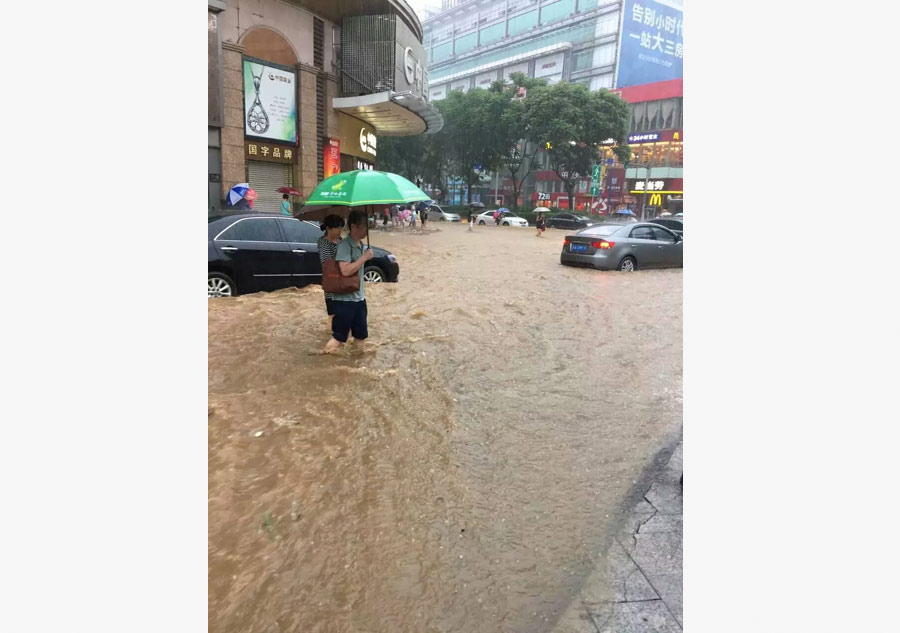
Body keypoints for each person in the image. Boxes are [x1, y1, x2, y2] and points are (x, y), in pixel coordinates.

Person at [322, 210, 373, 354]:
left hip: (359, 299)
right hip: (345, 301)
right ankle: (323, 361)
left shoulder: (361, 245)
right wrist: (363, 258)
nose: (367, 230)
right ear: (354, 226)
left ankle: (356, 365)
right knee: (339, 338)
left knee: (361, 337)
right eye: (364, 226)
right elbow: (345, 271)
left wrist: (365, 256)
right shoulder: (344, 246)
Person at [317, 214, 345, 328]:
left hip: (343, 283)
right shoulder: (323, 243)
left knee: (344, 314)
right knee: (333, 315)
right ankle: (331, 336)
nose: (340, 230)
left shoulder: (341, 241)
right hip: (332, 284)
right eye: (337, 227)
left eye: (341, 227)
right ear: (328, 228)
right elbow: (326, 264)